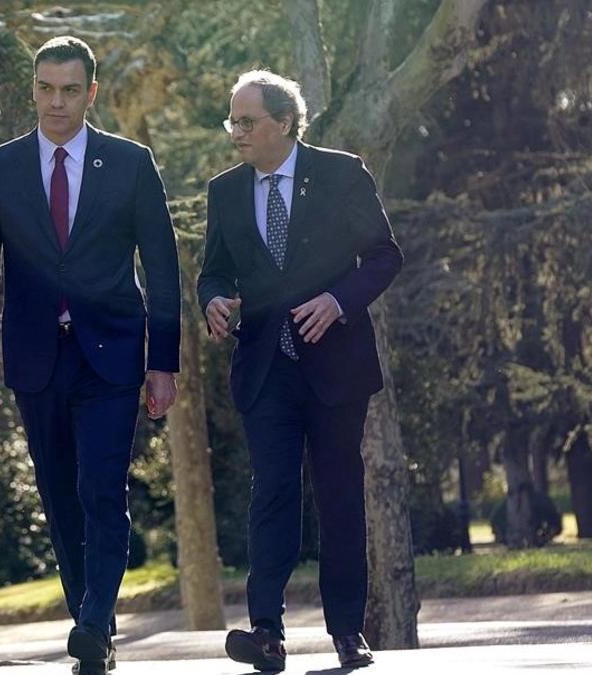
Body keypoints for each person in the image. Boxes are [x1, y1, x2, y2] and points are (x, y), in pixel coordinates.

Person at [0, 36, 180, 675]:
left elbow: (162, 270)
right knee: (59, 496)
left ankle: (91, 625)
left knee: (101, 489)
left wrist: (163, 363)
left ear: (91, 93)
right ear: (33, 89)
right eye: (46, 88)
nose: (57, 102)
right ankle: (95, 624)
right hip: (34, 359)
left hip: (111, 356)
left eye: (70, 89)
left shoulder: (131, 164)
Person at [197, 70, 403, 670]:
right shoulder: (225, 191)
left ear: (283, 123)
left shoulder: (341, 173)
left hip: (336, 364)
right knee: (274, 494)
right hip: (265, 367)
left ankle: (347, 631)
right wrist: (210, 298)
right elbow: (215, 271)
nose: (235, 132)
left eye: (246, 121)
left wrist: (339, 300)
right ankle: (266, 631)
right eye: (232, 121)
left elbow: (385, 255)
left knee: (339, 494)